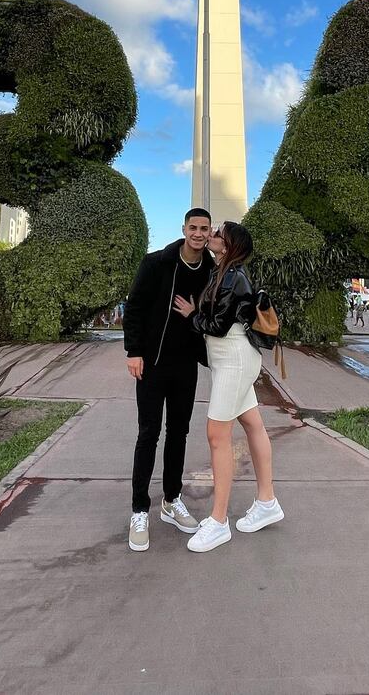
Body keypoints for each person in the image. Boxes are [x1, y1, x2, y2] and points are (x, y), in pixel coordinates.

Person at [173, 221, 283, 553]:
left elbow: (218, 326)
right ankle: (267, 502)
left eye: (219, 233)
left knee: (217, 436)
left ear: (229, 244)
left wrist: (193, 314)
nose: (212, 236)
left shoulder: (234, 278)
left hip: (234, 359)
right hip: (229, 360)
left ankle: (218, 522)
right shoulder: (224, 272)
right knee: (253, 425)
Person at [124, 208, 213, 552]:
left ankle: (172, 500)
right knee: (148, 433)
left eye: (204, 229)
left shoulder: (210, 270)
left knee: (179, 433)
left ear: (209, 233)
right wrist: (134, 351)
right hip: (152, 364)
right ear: (184, 229)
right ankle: (139, 509)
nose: (198, 234)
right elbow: (134, 309)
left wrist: (196, 316)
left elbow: (215, 314)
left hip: (184, 367)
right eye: (193, 227)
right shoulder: (157, 263)